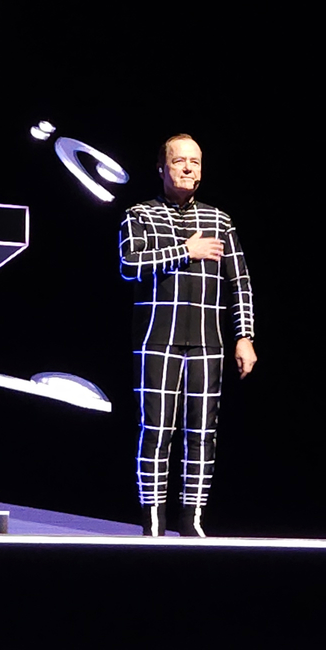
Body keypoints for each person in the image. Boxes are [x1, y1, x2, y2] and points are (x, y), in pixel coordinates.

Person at [118, 134, 256, 537]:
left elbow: (240, 282)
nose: (188, 168)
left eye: (194, 162)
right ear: (162, 168)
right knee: (156, 431)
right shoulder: (140, 214)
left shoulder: (219, 220)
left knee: (202, 433)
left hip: (207, 341)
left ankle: (192, 521)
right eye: (179, 161)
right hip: (157, 337)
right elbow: (129, 264)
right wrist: (185, 251)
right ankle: (153, 523)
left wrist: (244, 336)